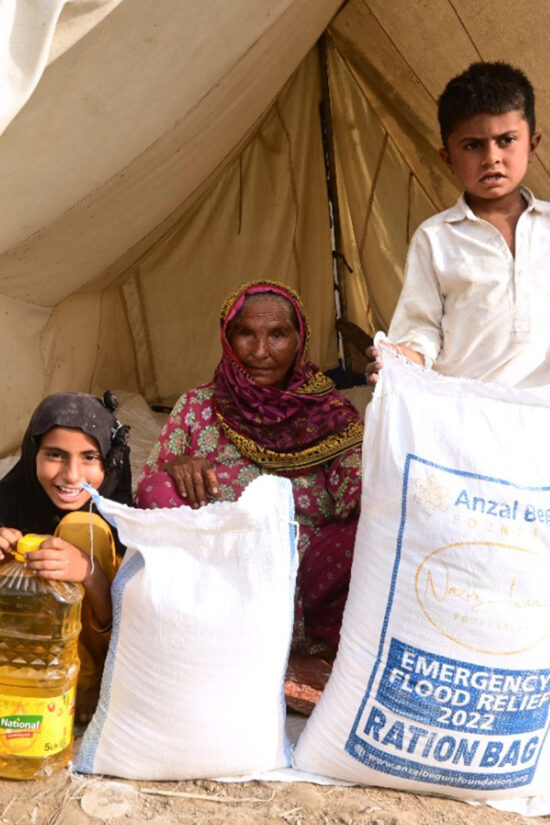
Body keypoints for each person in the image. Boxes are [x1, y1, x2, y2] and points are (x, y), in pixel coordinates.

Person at [136, 280, 364, 656]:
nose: (260, 352)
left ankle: (307, 642)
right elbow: (148, 490)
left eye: (277, 335)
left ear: (300, 339)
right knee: (155, 491)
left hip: (306, 574)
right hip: (214, 571)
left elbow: (357, 487)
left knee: (372, 533)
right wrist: (178, 466)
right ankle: (210, 628)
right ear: (227, 338)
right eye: (246, 334)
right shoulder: (197, 405)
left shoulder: (329, 412)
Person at [367, 61, 550, 387]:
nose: (491, 157)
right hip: (464, 407)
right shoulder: (435, 238)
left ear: (532, 146)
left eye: (507, 140)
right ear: (448, 158)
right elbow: (420, 329)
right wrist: (403, 358)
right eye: (473, 145)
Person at [0, 391, 131, 721]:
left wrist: (89, 572)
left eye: (90, 457)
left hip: (103, 657)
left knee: (80, 529)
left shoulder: (128, 527)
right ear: (32, 453)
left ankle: (88, 681)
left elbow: (132, 627)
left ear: (110, 460)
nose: (72, 475)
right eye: (55, 455)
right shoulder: (11, 499)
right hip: (23, 655)